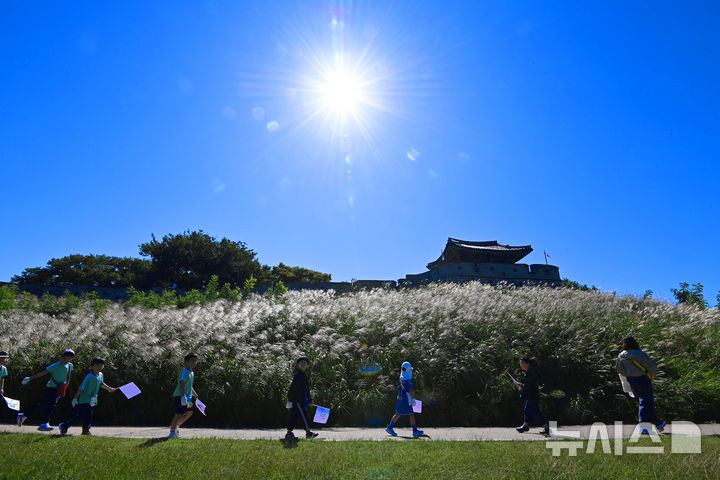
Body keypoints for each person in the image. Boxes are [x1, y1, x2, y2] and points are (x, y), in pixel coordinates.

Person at [616, 335, 665, 434]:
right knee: (646, 402)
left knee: (643, 403)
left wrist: (628, 375)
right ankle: (644, 427)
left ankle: (658, 423)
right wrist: (652, 375)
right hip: (643, 379)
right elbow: (651, 366)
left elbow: (620, 369)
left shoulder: (621, 356)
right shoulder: (641, 354)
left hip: (631, 380)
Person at [17, 349, 75, 431]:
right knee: (50, 405)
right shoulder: (56, 365)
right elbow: (44, 372)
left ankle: (24, 415)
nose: (67, 359)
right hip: (51, 387)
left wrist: (65, 388)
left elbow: (68, 377)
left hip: (60, 388)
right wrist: (30, 378)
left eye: (69, 357)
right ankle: (44, 423)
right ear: (62, 357)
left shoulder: (70, 365)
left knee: (45, 404)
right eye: (65, 357)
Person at [59, 357, 117, 435]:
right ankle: (65, 425)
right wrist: (75, 398)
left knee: (89, 414)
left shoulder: (100, 375)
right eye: (97, 365)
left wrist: (109, 388)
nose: (99, 367)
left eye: (101, 365)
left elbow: (101, 383)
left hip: (93, 398)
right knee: (81, 414)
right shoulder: (89, 377)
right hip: (85, 398)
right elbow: (81, 388)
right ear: (92, 366)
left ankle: (85, 430)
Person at [385, 361, 424, 437]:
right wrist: (413, 399)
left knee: (398, 413)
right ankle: (415, 430)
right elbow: (411, 391)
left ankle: (390, 427)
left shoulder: (401, 380)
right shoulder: (408, 382)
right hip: (406, 400)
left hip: (399, 399)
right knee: (411, 414)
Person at [285, 356, 318, 440]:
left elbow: (306, 390)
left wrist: (309, 400)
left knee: (295, 416)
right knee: (302, 416)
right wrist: (291, 399)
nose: (303, 364)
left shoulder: (304, 375)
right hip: (297, 401)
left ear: (307, 365)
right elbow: (292, 388)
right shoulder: (298, 375)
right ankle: (307, 433)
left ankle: (289, 434)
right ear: (297, 365)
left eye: (305, 363)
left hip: (302, 400)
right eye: (301, 363)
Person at [515, 357, 549, 435]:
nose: (521, 365)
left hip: (533, 395)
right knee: (527, 410)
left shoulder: (530, 373)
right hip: (531, 395)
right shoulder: (529, 372)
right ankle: (525, 426)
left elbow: (527, 386)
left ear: (527, 364)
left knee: (536, 411)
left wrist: (519, 384)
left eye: (522, 363)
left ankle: (546, 427)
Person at [169, 353, 199, 438]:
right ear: (186, 362)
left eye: (195, 361)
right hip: (180, 396)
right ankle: (172, 432)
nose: (194, 362)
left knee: (189, 412)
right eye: (192, 360)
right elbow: (182, 384)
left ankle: (176, 425)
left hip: (188, 398)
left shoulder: (192, 373)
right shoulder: (184, 372)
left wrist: (194, 394)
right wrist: (183, 396)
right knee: (179, 414)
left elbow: (189, 385)